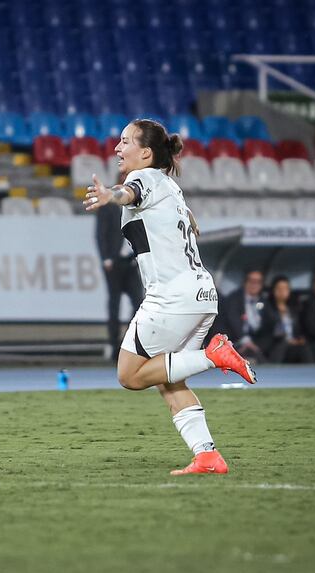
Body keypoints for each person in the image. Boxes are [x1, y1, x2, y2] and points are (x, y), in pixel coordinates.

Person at [83, 119, 255, 476]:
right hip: (201, 294)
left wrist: (110, 196)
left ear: (146, 153)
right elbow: (186, 220)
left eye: (126, 141)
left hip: (172, 298)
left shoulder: (143, 178)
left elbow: (127, 193)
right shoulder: (170, 187)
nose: (117, 147)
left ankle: (213, 356)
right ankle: (207, 455)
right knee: (169, 379)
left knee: (130, 376)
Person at [95, 201, 144, 360]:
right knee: (114, 304)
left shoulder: (137, 206)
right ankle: (113, 343)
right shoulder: (108, 207)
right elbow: (101, 233)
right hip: (114, 263)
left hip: (130, 263)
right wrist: (105, 258)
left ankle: (130, 342)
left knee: (139, 303)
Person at [259, 276, 315, 363]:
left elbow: (299, 329)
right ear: (273, 290)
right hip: (276, 345)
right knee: (282, 345)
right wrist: (287, 340)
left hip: (293, 345)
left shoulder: (294, 309)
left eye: (285, 288)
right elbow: (269, 330)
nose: (282, 291)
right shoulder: (267, 307)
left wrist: (300, 338)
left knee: (306, 347)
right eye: (279, 288)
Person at [217, 269, 268, 363]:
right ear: (245, 282)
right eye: (251, 281)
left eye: (258, 282)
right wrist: (245, 341)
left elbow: (267, 326)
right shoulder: (234, 299)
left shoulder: (264, 301)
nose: (254, 284)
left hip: (256, 343)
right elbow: (233, 321)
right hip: (235, 341)